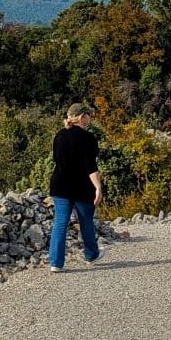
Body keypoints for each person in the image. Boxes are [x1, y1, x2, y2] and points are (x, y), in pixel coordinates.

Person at [48, 103, 104, 270]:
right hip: (82, 187)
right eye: (88, 115)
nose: (90, 119)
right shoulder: (88, 138)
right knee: (86, 220)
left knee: (60, 222)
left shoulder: (59, 136)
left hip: (60, 185)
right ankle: (91, 255)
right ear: (82, 117)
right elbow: (90, 167)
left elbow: (57, 160)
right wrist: (98, 188)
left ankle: (56, 263)